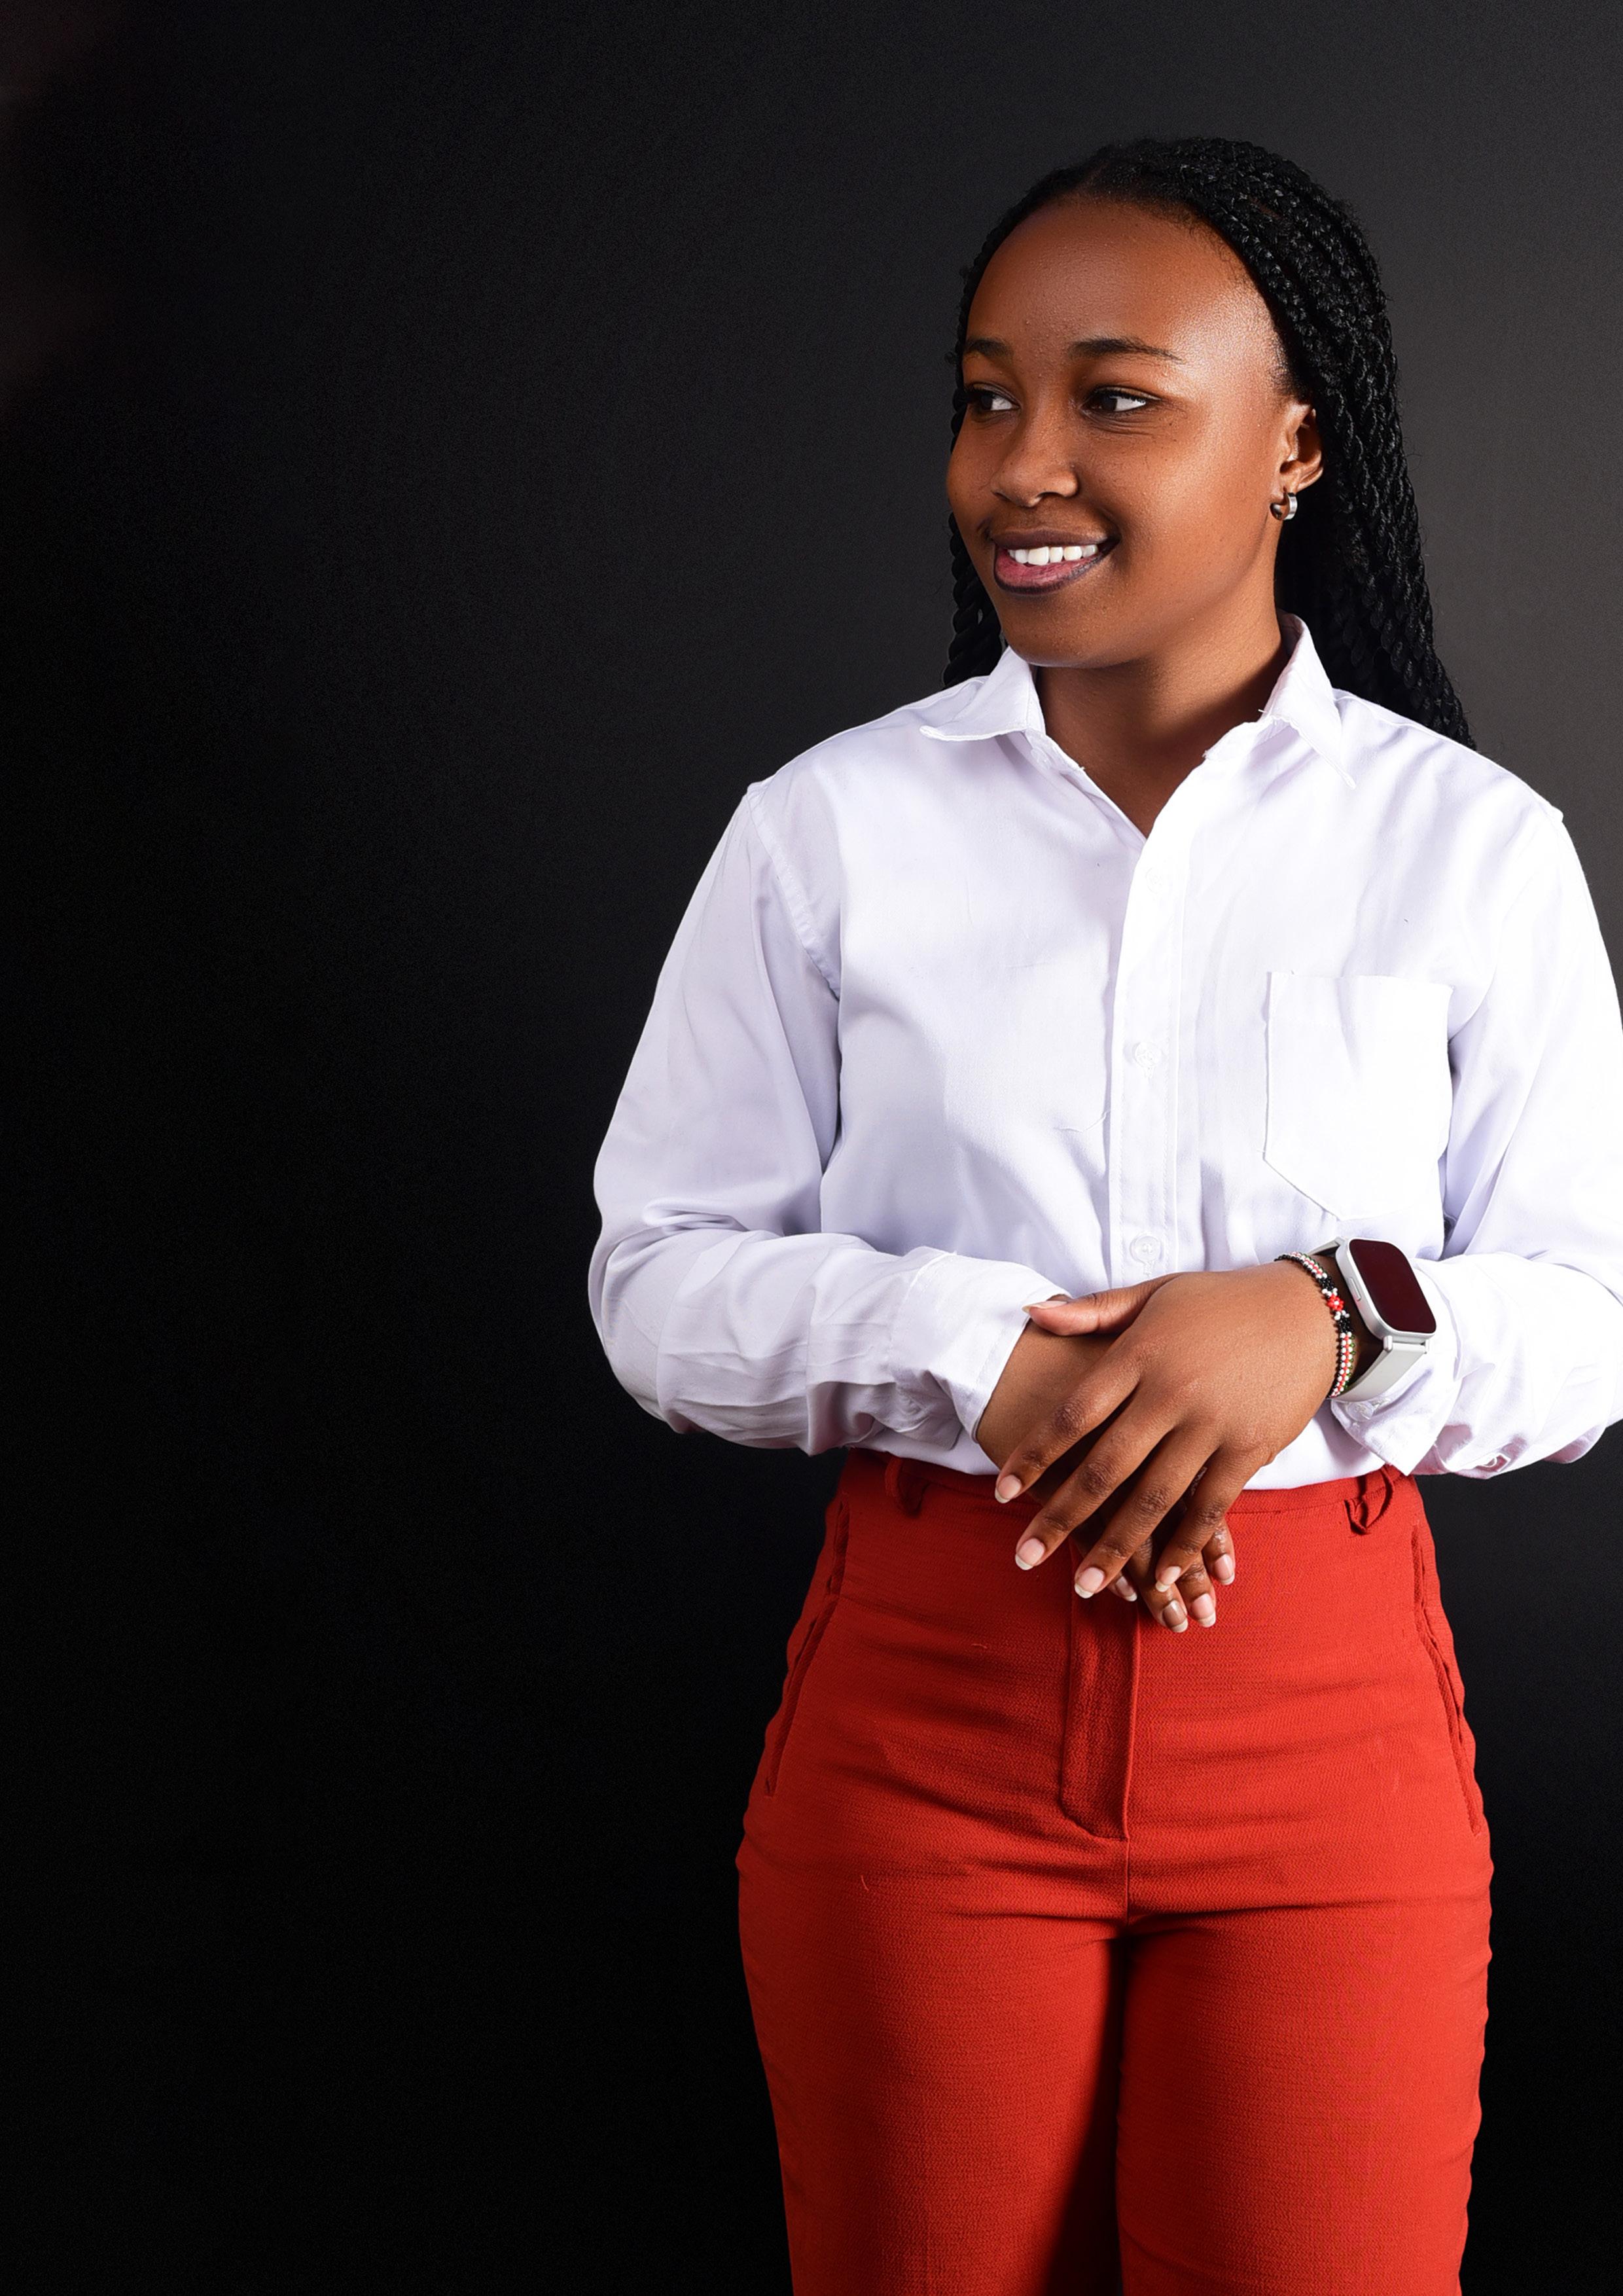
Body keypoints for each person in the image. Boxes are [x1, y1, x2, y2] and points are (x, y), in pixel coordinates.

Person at [585, 135, 1623, 2295]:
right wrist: (976, 1348)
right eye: (987, 397)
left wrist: (1331, 1311)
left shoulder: (1470, 849)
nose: (1022, 466)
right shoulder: (828, 831)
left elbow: (1592, 1311)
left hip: (1329, 1738)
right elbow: (658, 1276)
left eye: (1114, 397)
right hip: (922, 1719)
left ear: (1299, 442)